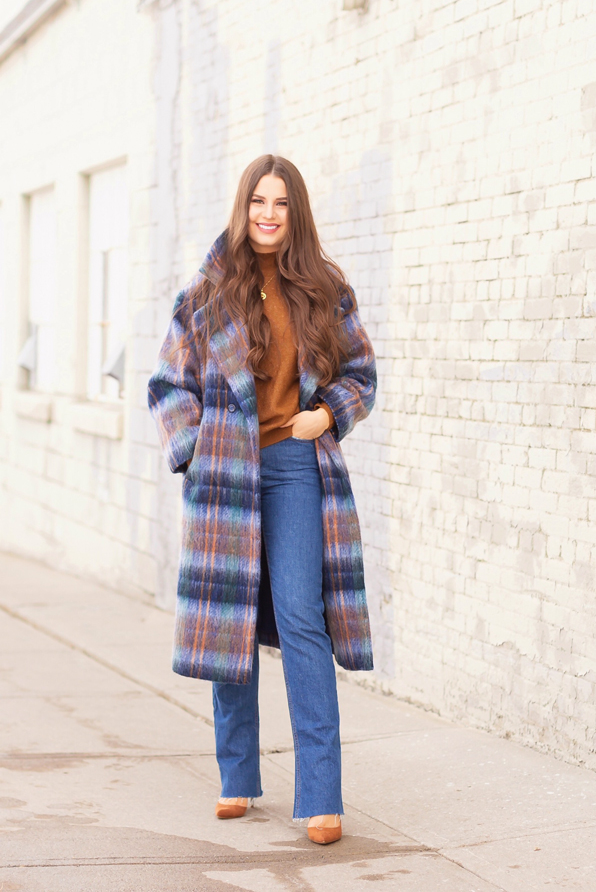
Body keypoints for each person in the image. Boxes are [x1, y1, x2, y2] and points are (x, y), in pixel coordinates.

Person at [148, 154, 376, 845]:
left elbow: (363, 371)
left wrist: (329, 413)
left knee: (304, 618)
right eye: (258, 201)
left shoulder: (327, 289)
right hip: (229, 471)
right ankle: (237, 776)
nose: (268, 213)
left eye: (280, 202)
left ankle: (321, 794)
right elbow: (167, 385)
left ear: (294, 211)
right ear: (243, 208)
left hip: (295, 464)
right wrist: (197, 446)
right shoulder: (205, 295)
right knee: (233, 619)